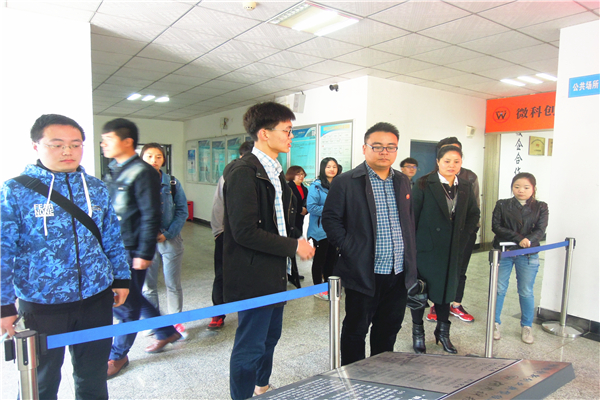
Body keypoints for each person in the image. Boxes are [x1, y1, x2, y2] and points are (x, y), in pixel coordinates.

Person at [0, 114, 131, 399]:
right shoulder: (15, 191)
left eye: (75, 144)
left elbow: (111, 236)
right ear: (36, 146)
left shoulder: (95, 188)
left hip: (96, 299)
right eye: (56, 144)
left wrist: (121, 278)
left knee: (93, 377)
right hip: (42, 305)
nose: (67, 151)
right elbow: (3, 249)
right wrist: (3, 304)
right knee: (41, 383)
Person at [223, 102, 315, 399]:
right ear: (264, 133)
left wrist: (294, 240)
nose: (291, 137)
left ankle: (261, 386)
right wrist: (294, 246)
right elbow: (244, 231)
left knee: (270, 338)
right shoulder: (243, 172)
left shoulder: (275, 172)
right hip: (254, 275)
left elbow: (280, 223)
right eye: (287, 131)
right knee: (250, 346)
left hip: (275, 272)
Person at [322, 122, 418, 366]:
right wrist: (351, 249)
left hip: (398, 272)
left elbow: (408, 220)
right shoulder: (346, 181)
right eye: (377, 146)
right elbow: (330, 220)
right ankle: (354, 377)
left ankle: (380, 373)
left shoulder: (403, 181)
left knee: (388, 329)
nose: (384, 151)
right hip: (364, 271)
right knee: (356, 330)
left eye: (390, 147)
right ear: (365, 148)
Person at [101, 118, 181, 379]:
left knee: (124, 303)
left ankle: (118, 355)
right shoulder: (114, 169)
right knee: (132, 297)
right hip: (115, 247)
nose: (103, 144)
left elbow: (150, 214)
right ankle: (165, 331)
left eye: (108, 139)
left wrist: (144, 253)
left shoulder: (142, 172)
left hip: (132, 248)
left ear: (127, 142)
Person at [410, 145, 480, 354]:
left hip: (452, 250)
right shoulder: (424, 183)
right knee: (420, 294)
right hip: (426, 249)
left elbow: (474, 214)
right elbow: (412, 216)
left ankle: (442, 333)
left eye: (456, 161)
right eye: (447, 161)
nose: (452, 165)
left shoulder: (465, 185)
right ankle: (418, 334)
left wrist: (464, 235)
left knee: (445, 293)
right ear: (438, 162)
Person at [427, 137, 480, 323]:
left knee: (460, 270)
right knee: (438, 270)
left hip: (464, 234)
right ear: (439, 158)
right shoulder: (429, 180)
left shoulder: (470, 178)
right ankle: (436, 303)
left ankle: (456, 304)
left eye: (455, 157)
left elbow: (475, 209)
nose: (451, 162)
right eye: (446, 156)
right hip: (437, 236)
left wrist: (468, 232)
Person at [492, 173, 548, 344]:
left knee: (526, 290)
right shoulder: (502, 204)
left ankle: (526, 326)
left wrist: (529, 240)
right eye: (517, 187)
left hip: (528, 253)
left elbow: (541, 229)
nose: (521, 190)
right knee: (499, 289)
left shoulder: (541, 207)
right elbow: (496, 226)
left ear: (533, 188)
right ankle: (494, 323)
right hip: (505, 252)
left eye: (526, 187)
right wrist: (519, 239)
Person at [140, 143, 188, 336]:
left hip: (170, 240)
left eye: (158, 156)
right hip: (146, 243)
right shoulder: (135, 182)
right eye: (149, 156)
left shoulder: (172, 183)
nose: (154, 160)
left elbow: (182, 211)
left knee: (173, 284)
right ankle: (154, 324)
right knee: (148, 286)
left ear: (164, 159)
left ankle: (176, 323)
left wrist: (167, 233)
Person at [209, 140, 254, 330]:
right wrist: (219, 233)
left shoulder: (261, 174)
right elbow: (218, 205)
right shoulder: (229, 174)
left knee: (249, 275)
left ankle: (248, 312)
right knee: (222, 274)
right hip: (227, 235)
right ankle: (218, 313)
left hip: (252, 236)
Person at [307, 157, 342, 300]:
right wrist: (331, 211)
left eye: (334, 166)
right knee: (320, 260)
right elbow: (311, 207)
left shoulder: (340, 185)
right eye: (328, 167)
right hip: (319, 230)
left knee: (332, 261)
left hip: (335, 230)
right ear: (323, 169)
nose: (332, 169)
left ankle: (329, 288)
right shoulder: (316, 186)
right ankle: (318, 289)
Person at [285, 165, 309, 289]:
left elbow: (307, 203)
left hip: (300, 220)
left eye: (302, 174)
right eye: (298, 174)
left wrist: (306, 210)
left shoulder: (304, 188)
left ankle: (293, 272)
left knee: (295, 246)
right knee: (291, 246)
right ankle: (289, 273)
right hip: (290, 221)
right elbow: (288, 204)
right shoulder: (288, 187)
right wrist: (300, 209)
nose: (301, 176)